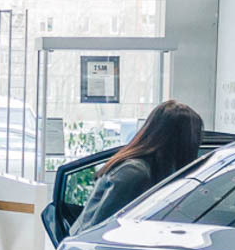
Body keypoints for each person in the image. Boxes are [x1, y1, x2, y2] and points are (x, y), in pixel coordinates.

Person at [73, 99, 204, 234]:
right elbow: (102, 228)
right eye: (196, 136)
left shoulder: (151, 168)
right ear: (183, 139)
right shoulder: (134, 172)